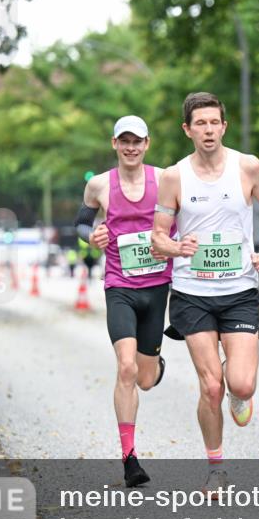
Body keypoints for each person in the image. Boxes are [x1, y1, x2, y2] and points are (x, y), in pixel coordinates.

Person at [152, 92, 259, 496]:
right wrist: (177, 248)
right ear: (187, 130)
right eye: (200, 124)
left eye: (214, 122)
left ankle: (237, 388)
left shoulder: (247, 166)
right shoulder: (174, 176)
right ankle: (216, 467)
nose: (208, 130)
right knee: (211, 386)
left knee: (240, 385)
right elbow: (158, 238)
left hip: (239, 290)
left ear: (224, 126)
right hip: (192, 292)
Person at [76, 115, 173, 487]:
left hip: (157, 285)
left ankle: (156, 364)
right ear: (114, 143)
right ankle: (129, 458)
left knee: (145, 378)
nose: (131, 147)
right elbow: (82, 223)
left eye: (138, 141)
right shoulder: (99, 185)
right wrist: (92, 237)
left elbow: (185, 217)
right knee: (126, 368)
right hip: (119, 286)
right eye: (124, 141)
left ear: (147, 144)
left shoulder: (165, 179)